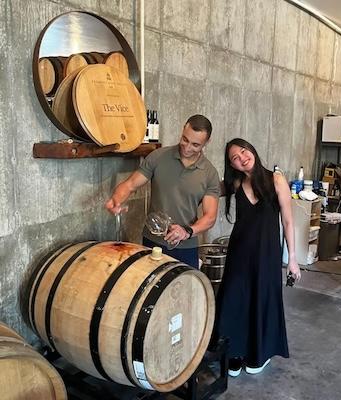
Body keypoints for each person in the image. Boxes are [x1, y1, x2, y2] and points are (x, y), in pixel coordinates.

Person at [214, 138, 301, 377]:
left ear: (252, 149)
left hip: (267, 254)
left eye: (243, 151)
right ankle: (233, 352)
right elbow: (207, 188)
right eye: (235, 158)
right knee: (234, 300)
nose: (242, 157)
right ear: (232, 165)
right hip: (239, 252)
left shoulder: (276, 179)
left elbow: (288, 220)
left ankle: (259, 354)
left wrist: (292, 259)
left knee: (262, 299)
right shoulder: (234, 183)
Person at [105, 114, 220, 268]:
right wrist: (116, 200)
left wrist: (187, 231)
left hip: (186, 246)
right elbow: (130, 184)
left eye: (195, 144)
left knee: (185, 290)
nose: (187, 147)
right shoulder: (158, 157)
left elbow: (210, 217)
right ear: (183, 130)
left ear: (206, 142)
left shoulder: (210, 173)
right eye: (185, 139)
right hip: (153, 242)